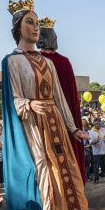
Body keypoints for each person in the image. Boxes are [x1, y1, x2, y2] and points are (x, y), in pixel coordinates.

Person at [2, 0, 90, 210]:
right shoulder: (12, 61)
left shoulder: (48, 62)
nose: (35, 27)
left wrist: (73, 129)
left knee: (66, 171)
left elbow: (60, 98)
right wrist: (28, 104)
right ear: (18, 28)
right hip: (33, 126)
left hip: (56, 125)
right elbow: (12, 100)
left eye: (37, 22)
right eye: (29, 22)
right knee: (44, 172)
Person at [38, 16, 86, 182]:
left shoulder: (35, 60)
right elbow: (72, 97)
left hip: (43, 116)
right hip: (65, 115)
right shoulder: (64, 62)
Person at [88, 118, 105, 184]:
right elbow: (90, 142)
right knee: (96, 167)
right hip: (96, 153)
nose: (100, 126)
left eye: (101, 124)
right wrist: (96, 141)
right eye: (99, 124)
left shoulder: (103, 130)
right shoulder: (91, 132)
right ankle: (96, 179)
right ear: (95, 124)